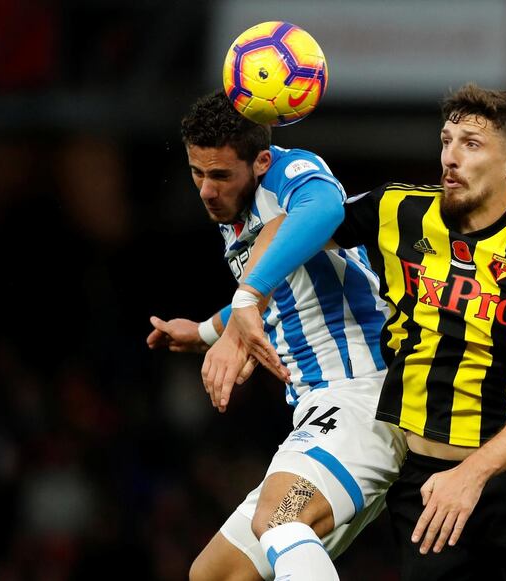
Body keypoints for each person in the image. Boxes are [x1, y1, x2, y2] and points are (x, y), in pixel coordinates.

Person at [231, 83, 506, 580]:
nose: (450, 157)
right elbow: (295, 226)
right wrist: (243, 304)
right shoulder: (398, 210)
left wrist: (472, 475)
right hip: (424, 490)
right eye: (446, 140)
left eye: (471, 145)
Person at [147, 90, 406, 581]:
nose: (205, 190)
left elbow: (325, 206)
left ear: (260, 161)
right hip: (323, 409)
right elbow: (283, 298)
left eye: (220, 175)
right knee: (214, 574)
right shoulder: (236, 213)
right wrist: (205, 331)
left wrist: (247, 298)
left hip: (362, 398)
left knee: (279, 519)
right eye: (197, 173)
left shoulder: (288, 177)